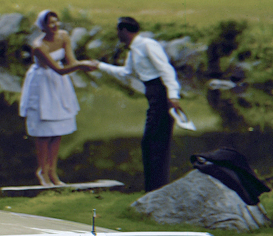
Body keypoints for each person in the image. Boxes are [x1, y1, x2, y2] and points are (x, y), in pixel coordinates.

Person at [97, 16, 187, 192]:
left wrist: (173, 95)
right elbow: (126, 73)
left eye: (118, 30)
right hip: (152, 94)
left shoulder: (147, 45)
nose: (117, 34)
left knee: (154, 140)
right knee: (151, 142)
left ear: (124, 31)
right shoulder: (133, 51)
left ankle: (157, 187)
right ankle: (153, 187)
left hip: (161, 94)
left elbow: (165, 69)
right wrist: (99, 66)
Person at [18, 10, 97, 187]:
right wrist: (82, 66)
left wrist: (82, 64)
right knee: (44, 132)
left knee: (57, 129)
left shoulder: (63, 36)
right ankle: (42, 171)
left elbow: (70, 62)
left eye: (56, 22)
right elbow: (59, 69)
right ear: (43, 27)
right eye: (50, 23)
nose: (54, 26)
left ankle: (52, 171)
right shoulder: (39, 46)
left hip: (59, 84)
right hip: (43, 84)